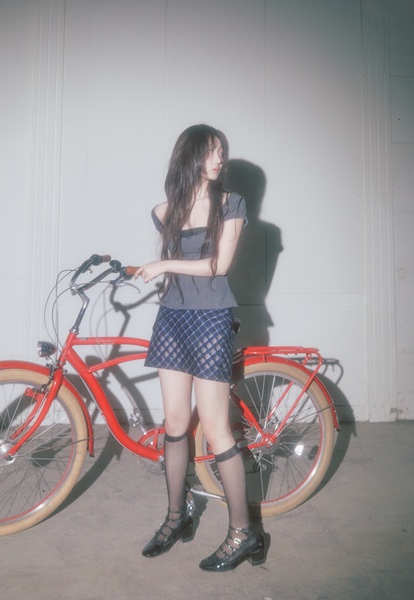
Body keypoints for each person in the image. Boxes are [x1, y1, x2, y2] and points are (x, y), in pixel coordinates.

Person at [134, 124, 267, 572]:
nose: (219, 159)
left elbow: (218, 265)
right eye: (210, 151)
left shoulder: (231, 203)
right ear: (189, 156)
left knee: (215, 429)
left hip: (211, 319)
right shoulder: (164, 211)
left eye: (221, 151)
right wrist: (153, 269)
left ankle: (244, 532)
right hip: (172, 318)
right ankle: (177, 516)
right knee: (174, 424)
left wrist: (162, 264)